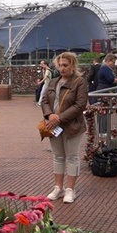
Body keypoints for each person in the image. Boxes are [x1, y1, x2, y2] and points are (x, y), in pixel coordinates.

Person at [41, 52, 89, 204]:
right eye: (60, 65)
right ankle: (58, 187)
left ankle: (70, 189)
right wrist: (49, 115)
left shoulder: (79, 82)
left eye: (65, 65)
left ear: (73, 66)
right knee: (58, 156)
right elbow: (44, 100)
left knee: (72, 156)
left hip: (72, 126)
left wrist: (59, 118)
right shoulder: (53, 81)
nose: (62, 68)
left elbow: (80, 104)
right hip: (53, 126)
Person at [94, 53, 117, 136]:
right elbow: (111, 80)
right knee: (103, 112)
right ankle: (103, 131)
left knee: (104, 111)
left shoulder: (105, 68)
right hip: (104, 91)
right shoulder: (105, 69)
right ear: (108, 61)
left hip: (103, 91)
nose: (114, 64)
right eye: (113, 62)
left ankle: (104, 130)